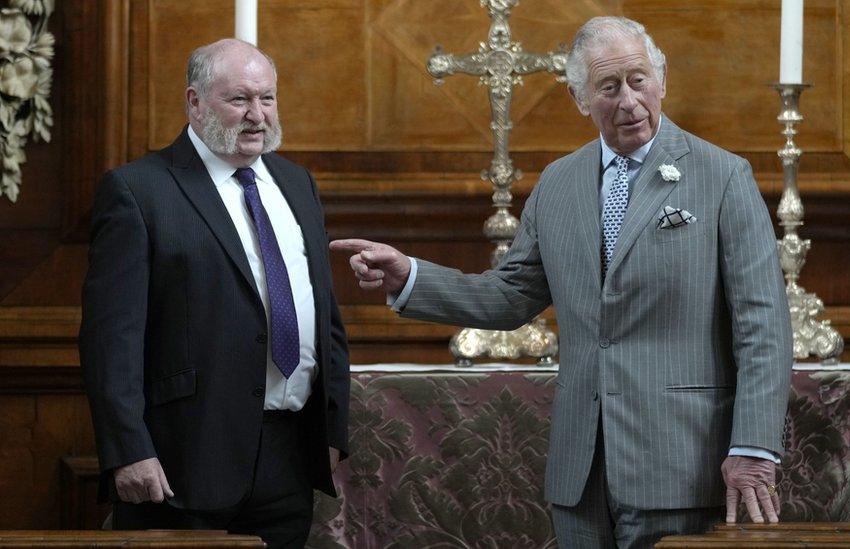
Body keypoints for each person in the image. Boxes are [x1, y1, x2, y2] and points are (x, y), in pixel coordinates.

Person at [330, 16, 792, 548]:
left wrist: (754, 449)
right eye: (608, 87)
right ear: (579, 98)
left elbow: (763, 326)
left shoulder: (722, 176)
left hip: (683, 466)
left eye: (638, 80)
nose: (628, 101)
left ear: (661, 81)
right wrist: (410, 275)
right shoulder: (558, 182)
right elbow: (511, 295)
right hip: (581, 477)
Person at [79, 39, 349, 549]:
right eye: (239, 99)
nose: (257, 115)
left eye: (267, 98)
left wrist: (331, 433)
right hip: (182, 458)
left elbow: (323, 313)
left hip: (289, 455)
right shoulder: (138, 189)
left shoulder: (296, 183)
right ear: (194, 102)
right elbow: (109, 338)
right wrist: (127, 450)